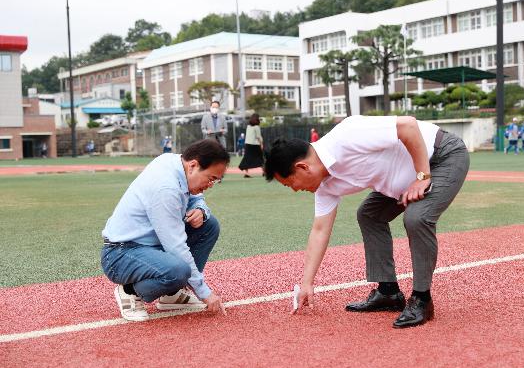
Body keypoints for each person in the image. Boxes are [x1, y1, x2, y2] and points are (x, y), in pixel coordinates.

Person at [264, 115, 469, 328]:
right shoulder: (325, 187)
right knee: (369, 214)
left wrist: (422, 176)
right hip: (406, 181)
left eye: (290, 183)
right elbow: (319, 230)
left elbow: (408, 126)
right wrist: (307, 282)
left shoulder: (347, 135)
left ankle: (421, 299)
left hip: (442, 157)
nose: (296, 189)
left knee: (417, 217)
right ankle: (388, 293)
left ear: (303, 167)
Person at [101, 139, 229, 321]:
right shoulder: (165, 188)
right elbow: (175, 246)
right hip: (121, 253)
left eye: (216, 181)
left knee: (209, 225)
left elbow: (196, 196)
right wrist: (204, 292)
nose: (211, 185)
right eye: (211, 178)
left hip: (148, 246)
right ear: (193, 165)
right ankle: (129, 290)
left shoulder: (176, 162)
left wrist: (201, 209)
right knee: (178, 270)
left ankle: (172, 294)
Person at [238, 113, 264, 178]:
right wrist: (261, 144)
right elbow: (258, 137)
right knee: (260, 158)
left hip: (248, 144)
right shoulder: (257, 127)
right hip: (255, 145)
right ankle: (264, 171)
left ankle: (247, 173)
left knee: (247, 158)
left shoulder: (248, 126)